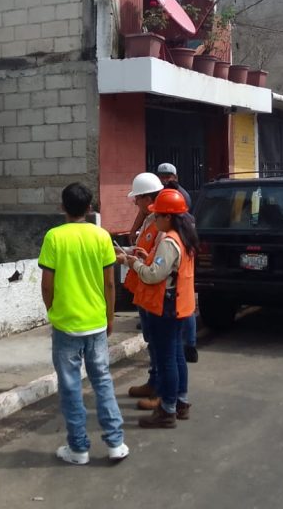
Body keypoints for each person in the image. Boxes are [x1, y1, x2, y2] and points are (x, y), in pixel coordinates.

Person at [38, 182, 128, 465]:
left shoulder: (54, 237)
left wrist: (53, 309)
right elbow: (110, 283)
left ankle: (78, 449)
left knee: (70, 385)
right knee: (102, 380)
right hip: (96, 322)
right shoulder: (101, 237)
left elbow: (46, 285)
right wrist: (110, 316)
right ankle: (115, 443)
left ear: (62, 207)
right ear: (90, 208)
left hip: (66, 325)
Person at [120, 188, 197, 428]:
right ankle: (180, 402)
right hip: (179, 305)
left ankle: (167, 410)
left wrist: (134, 264)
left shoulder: (169, 241)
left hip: (165, 307)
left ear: (168, 217)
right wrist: (145, 257)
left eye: (158, 215)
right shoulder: (184, 237)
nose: (154, 219)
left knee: (166, 359)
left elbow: (154, 275)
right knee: (175, 356)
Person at [115, 172, 163, 410]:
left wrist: (128, 260)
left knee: (159, 344)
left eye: (137, 198)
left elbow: (156, 262)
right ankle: (154, 382)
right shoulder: (149, 220)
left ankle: (161, 392)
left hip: (154, 290)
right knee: (150, 340)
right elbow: (145, 249)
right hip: (143, 289)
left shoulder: (162, 224)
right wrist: (131, 251)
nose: (135, 203)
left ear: (147, 197)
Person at [156, 163, 199, 363]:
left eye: (168, 176)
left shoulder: (172, 236)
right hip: (184, 267)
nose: (165, 179)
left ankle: (189, 345)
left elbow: (155, 273)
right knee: (186, 307)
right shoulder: (183, 227)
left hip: (175, 277)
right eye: (162, 176)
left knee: (171, 350)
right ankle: (188, 347)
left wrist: (136, 265)